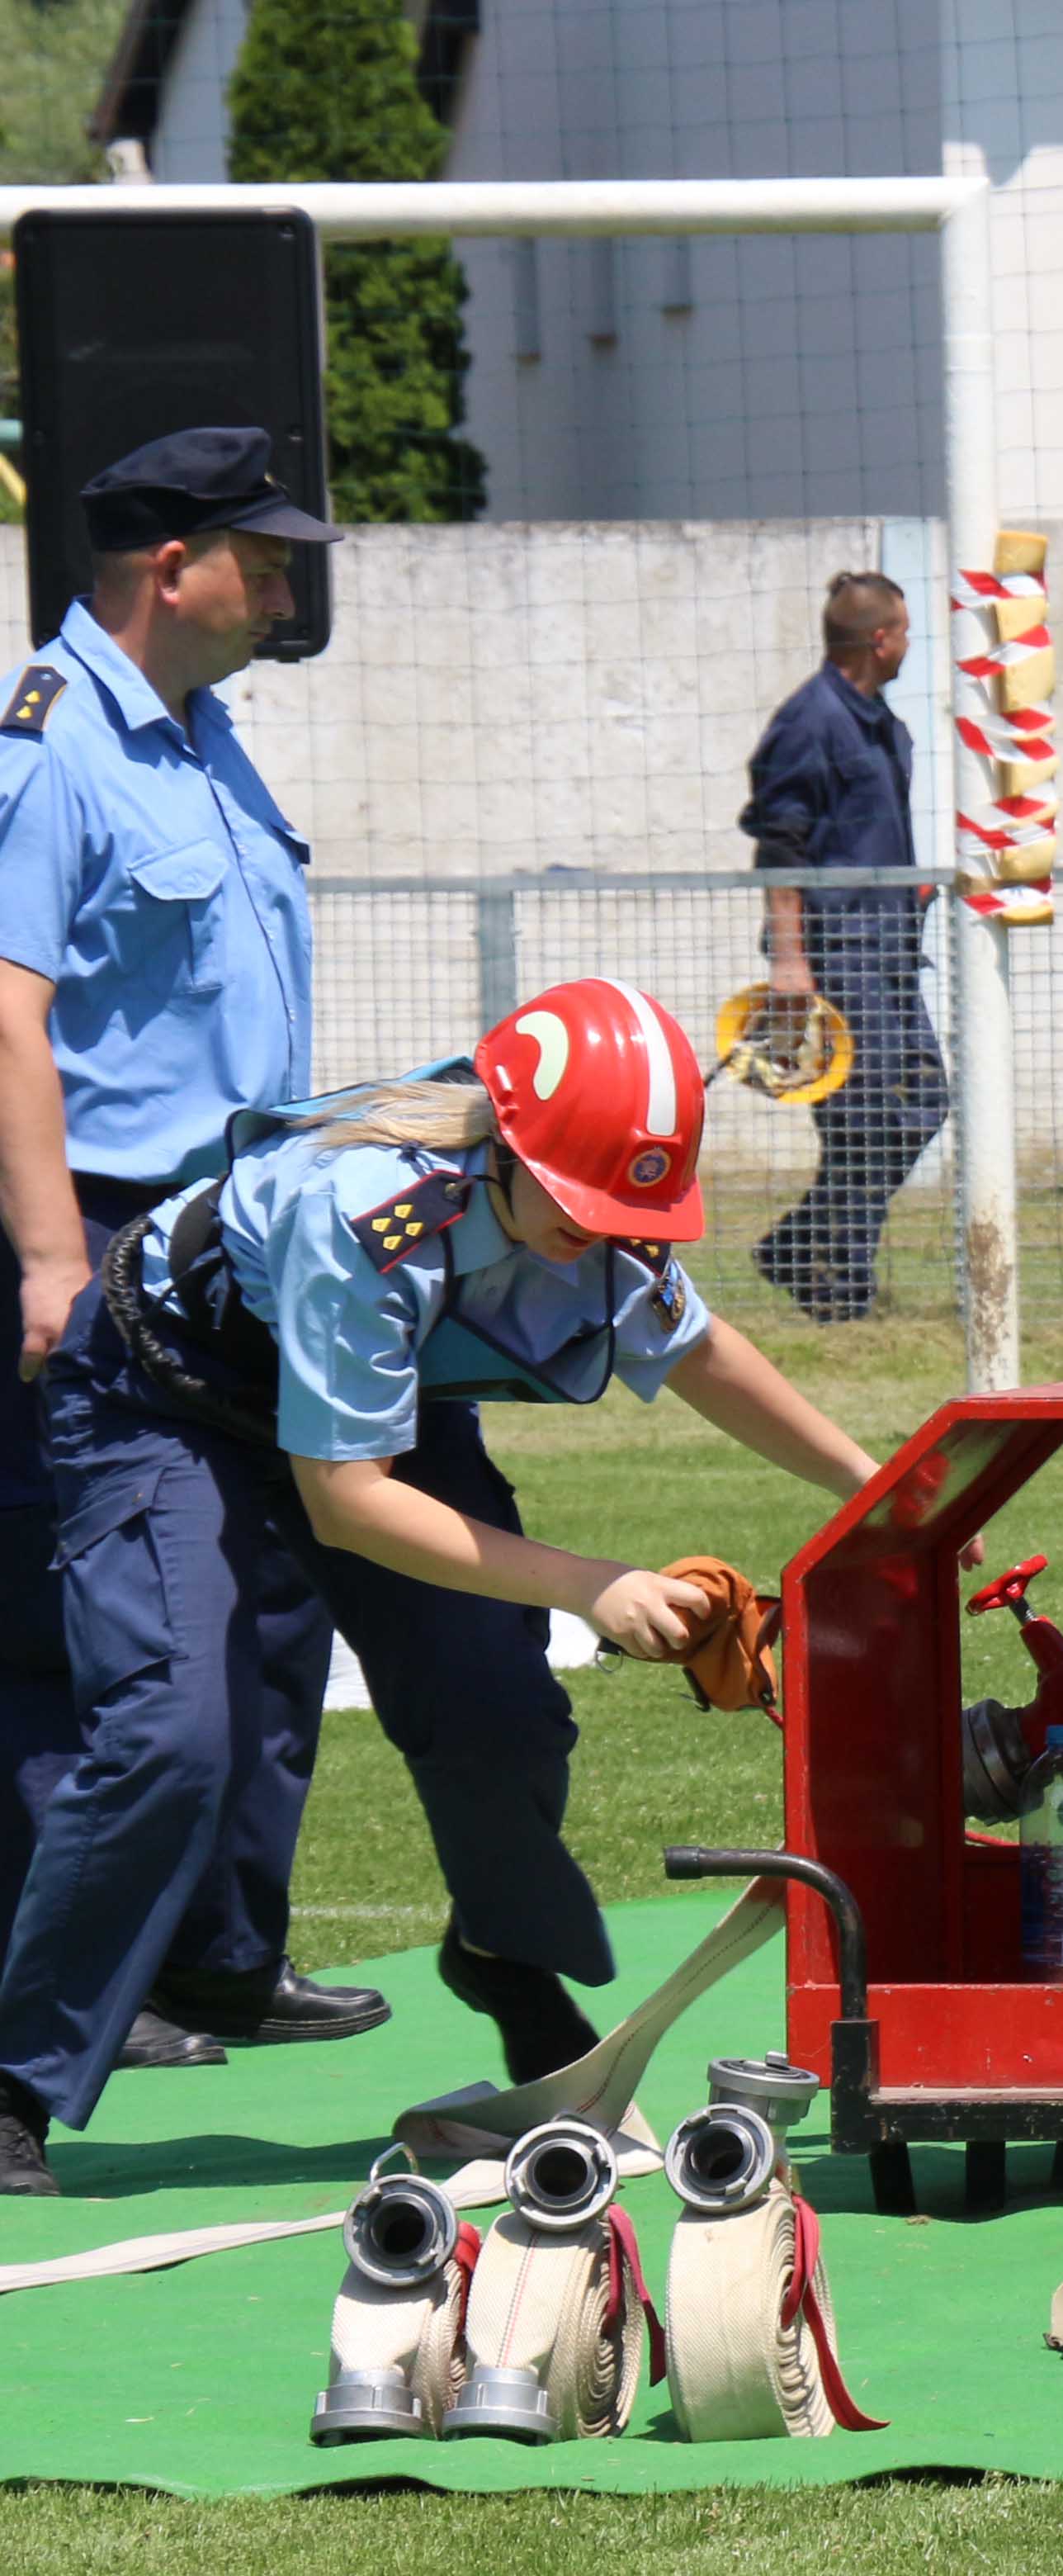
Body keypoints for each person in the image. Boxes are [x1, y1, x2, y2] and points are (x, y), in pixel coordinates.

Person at [0, 979, 903, 2194]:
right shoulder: (359, 1212)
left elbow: (695, 1349)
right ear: (511, 1150)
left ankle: (505, 1962)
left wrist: (877, 1488)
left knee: (495, 1704)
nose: (603, 1237)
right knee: (173, 1733)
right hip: (168, 1402)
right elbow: (348, 1501)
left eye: (626, 1213)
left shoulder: (601, 1205)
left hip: (383, 1409)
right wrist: (593, 1585)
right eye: (577, 1208)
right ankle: (16, 2082)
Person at [0, 425, 384, 2074]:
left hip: (237, 1237)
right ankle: (83, 1984)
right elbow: (9, 1011)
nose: (288, 582)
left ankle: (217, 1957)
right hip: (96, 1231)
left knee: (277, 1597)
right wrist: (43, 1257)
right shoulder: (52, 744)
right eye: (268, 555)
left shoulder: (206, 734)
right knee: (104, 1632)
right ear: (176, 568)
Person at [740, 570, 943, 1324]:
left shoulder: (879, 720)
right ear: (881, 637)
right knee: (860, 1120)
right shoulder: (811, 721)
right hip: (835, 956)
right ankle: (842, 1294)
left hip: (890, 949)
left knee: (922, 1101)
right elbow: (780, 844)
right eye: (906, 632)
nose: (909, 646)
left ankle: (797, 1247)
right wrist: (790, 960)